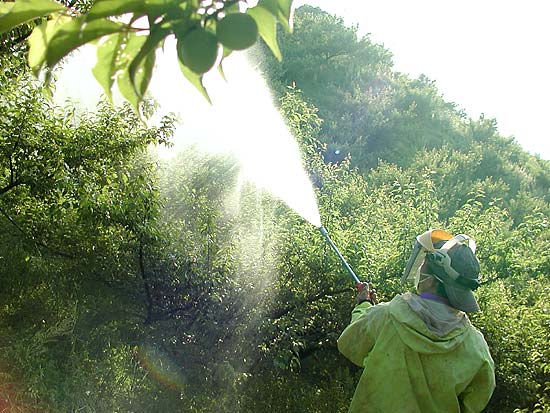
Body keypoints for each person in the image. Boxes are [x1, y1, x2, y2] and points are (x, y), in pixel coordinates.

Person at [337, 229, 495, 413]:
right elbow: (476, 401)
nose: (420, 269)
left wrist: (364, 303)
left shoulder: (386, 316)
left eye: (424, 265)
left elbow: (350, 343)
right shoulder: (476, 347)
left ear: (433, 282)